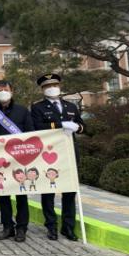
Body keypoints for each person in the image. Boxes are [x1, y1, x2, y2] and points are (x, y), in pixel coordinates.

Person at [31, 73, 85, 241]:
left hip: (69, 153)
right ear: (42, 89)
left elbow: (83, 126)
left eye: (54, 85)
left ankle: (68, 227)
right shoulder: (38, 107)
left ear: (59, 86)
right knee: (49, 191)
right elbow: (37, 127)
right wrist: (61, 125)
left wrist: (77, 127)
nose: (52, 88)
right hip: (49, 154)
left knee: (70, 191)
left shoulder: (71, 106)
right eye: (48, 86)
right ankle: (51, 226)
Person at [0, 80, 34, 243]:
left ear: (12, 91)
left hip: (20, 159)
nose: (3, 92)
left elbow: (31, 133)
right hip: (0, 160)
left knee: (21, 196)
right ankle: (7, 227)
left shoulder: (22, 111)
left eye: (6, 89)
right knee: (3, 195)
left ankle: (21, 228)